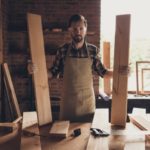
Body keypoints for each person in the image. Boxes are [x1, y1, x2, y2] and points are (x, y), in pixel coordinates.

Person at [28, 14, 129, 122]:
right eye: (75, 29)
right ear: (69, 30)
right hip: (68, 105)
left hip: (87, 105)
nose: (78, 31)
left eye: (81, 28)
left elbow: (103, 73)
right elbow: (52, 73)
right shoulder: (62, 50)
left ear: (85, 29)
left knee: (87, 136)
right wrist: (36, 71)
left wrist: (120, 72)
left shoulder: (93, 51)